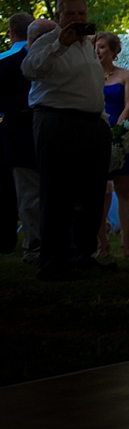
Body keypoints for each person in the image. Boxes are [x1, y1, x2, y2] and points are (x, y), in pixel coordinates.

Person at [22, 0, 113, 282]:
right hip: (57, 121)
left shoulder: (88, 46)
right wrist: (60, 44)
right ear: (60, 16)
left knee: (91, 193)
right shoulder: (47, 43)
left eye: (82, 13)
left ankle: (82, 255)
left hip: (91, 123)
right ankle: (52, 260)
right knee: (57, 192)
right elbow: (30, 70)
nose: (77, 18)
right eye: (71, 13)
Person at [95, 32, 129, 259]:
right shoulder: (88, 76)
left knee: (125, 190)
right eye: (96, 47)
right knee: (98, 193)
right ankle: (102, 244)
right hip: (96, 133)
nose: (98, 51)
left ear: (114, 51)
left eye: (103, 47)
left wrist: (116, 130)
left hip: (120, 133)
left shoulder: (127, 75)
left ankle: (126, 243)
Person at [1, 14, 39, 260]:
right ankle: (32, 244)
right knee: (25, 191)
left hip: (18, 134)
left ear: (10, 32)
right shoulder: (8, 62)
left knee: (16, 191)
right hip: (21, 134)